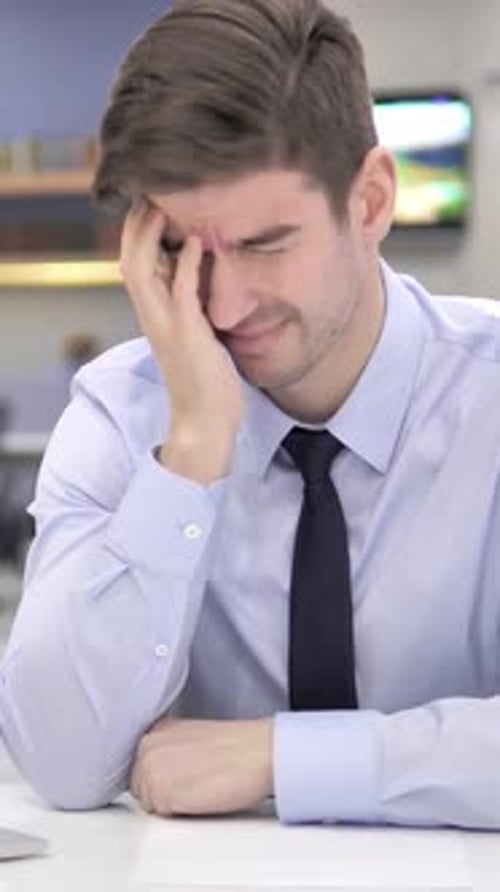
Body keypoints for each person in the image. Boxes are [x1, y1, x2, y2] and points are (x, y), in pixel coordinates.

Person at [1, 0, 500, 829]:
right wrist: (193, 445)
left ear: (371, 202)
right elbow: (60, 761)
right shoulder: (124, 413)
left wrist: (282, 756)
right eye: (180, 249)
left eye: (265, 242)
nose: (223, 305)